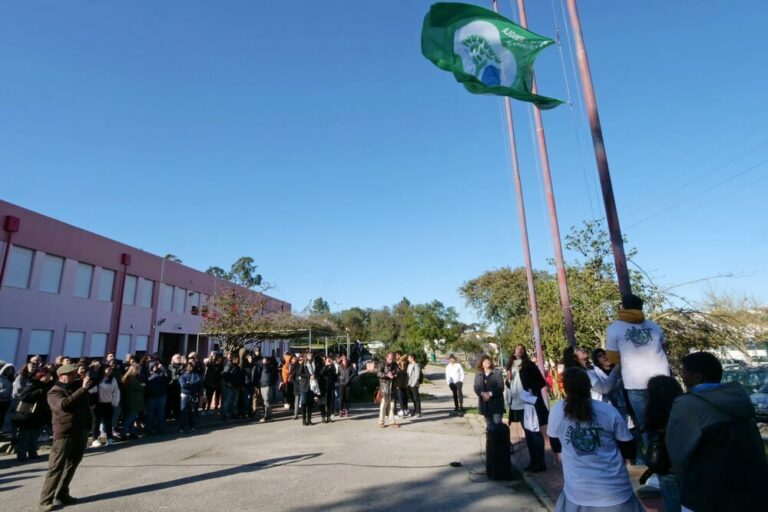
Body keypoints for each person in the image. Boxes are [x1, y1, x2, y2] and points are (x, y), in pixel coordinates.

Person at [666, 352, 768, 512]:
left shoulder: (687, 404)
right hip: (752, 487)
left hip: (708, 494)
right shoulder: (740, 398)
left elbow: (678, 453)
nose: (682, 377)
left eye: (684, 372)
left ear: (697, 377)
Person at [548, 368, 643, 512]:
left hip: (578, 495)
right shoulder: (608, 411)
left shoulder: (557, 411)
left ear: (565, 388)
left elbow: (556, 446)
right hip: (616, 494)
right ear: (589, 386)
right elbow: (629, 450)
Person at [606, 294, 669, 440]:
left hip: (635, 382)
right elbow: (664, 347)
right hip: (662, 379)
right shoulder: (654, 326)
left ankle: (653, 457)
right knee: (665, 419)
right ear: (641, 307)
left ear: (623, 307)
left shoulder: (614, 328)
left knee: (644, 423)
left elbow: (613, 358)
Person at [39, 364, 94, 511]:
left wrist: (86, 376)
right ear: (61, 376)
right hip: (64, 433)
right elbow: (64, 405)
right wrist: (82, 389)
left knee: (72, 465)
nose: (73, 375)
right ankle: (45, 500)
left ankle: (62, 494)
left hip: (80, 431)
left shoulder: (76, 386)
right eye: (70, 374)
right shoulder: (54, 392)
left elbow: (94, 382)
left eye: (74, 373)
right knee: (56, 467)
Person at [643, 375, 683, 512]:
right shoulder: (685, 411)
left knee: (672, 503)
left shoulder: (653, 416)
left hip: (666, 467)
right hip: (688, 464)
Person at [14, 369, 53, 461]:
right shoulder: (32, 384)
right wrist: (38, 392)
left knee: (34, 436)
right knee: (25, 436)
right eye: (46, 375)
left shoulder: (49, 385)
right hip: (28, 415)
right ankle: (22, 455)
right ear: (41, 376)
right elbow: (23, 397)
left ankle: (32, 452)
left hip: (40, 415)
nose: (49, 377)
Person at [519, 354, 549, 472]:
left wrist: (532, 389)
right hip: (521, 405)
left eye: (520, 350)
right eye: (516, 350)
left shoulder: (529, 366)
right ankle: (533, 460)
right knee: (528, 433)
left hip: (533, 403)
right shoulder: (512, 368)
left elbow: (541, 382)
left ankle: (540, 462)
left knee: (535, 432)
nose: (518, 352)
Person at [89, 364, 120, 447]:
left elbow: (116, 391)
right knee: (96, 422)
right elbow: (91, 391)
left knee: (108, 422)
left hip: (108, 404)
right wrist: (91, 403)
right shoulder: (98, 379)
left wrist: (114, 402)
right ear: (103, 370)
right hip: (98, 404)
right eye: (107, 369)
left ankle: (110, 438)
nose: (109, 371)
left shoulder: (113, 379)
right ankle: (95, 439)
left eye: (110, 369)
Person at [473, 355, 504, 429]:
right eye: (485, 360)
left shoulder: (497, 373)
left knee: (497, 426)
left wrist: (490, 394)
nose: (488, 361)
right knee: (489, 426)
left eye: (489, 360)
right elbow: (476, 387)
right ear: (482, 363)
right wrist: (482, 393)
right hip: (485, 405)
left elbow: (501, 387)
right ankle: (490, 440)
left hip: (496, 405)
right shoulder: (478, 374)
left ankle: (499, 440)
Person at [120, 363, 145, 439]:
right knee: (130, 418)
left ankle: (132, 433)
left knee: (132, 418)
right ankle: (124, 433)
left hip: (133, 401)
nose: (140, 370)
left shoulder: (130, 378)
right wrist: (142, 385)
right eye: (138, 369)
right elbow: (140, 388)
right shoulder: (131, 379)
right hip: (133, 401)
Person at [505, 345, 526, 428]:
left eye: (522, 349)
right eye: (518, 348)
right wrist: (508, 379)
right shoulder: (511, 365)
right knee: (523, 425)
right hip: (515, 399)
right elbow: (508, 385)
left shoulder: (527, 364)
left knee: (528, 426)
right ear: (514, 352)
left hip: (525, 399)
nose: (520, 350)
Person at [145, 361, 169, 435]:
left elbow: (168, 375)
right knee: (150, 413)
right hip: (151, 396)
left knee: (160, 412)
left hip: (161, 395)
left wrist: (162, 367)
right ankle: (149, 429)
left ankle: (160, 428)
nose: (155, 367)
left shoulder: (161, 373)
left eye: (156, 366)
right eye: (153, 366)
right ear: (150, 367)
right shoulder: (147, 375)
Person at [178, 361, 202, 433]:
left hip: (193, 395)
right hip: (185, 396)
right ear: (186, 368)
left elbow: (199, 381)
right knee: (183, 412)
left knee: (193, 412)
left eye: (191, 366)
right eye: (189, 366)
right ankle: (182, 427)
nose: (190, 367)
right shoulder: (182, 376)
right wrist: (192, 384)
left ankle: (192, 426)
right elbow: (183, 385)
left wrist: (190, 383)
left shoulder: (195, 375)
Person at [377, 352, 400, 428]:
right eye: (390, 358)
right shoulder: (381, 364)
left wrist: (395, 374)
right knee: (383, 405)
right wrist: (386, 375)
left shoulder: (395, 364)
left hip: (393, 387)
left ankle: (392, 422)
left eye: (393, 358)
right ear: (386, 357)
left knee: (392, 405)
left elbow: (398, 372)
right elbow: (378, 373)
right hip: (385, 387)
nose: (391, 360)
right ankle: (381, 422)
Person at [297, 351, 317, 426]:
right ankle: (304, 420)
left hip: (312, 386)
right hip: (304, 385)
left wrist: (315, 375)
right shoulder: (304, 364)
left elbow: (316, 372)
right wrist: (309, 376)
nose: (310, 356)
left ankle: (309, 419)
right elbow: (300, 373)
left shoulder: (313, 364)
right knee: (304, 402)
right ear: (306, 356)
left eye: (311, 355)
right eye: (309, 355)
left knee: (310, 403)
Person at [258, 355, 278, 422]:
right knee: (264, 401)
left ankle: (269, 416)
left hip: (267, 385)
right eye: (263, 360)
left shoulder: (269, 367)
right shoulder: (263, 366)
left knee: (266, 401)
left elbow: (266, 369)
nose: (263, 361)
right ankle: (267, 416)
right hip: (262, 384)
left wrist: (264, 363)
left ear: (268, 361)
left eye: (265, 360)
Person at [319, 356, 336, 423]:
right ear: (325, 361)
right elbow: (321, 373)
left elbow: (334, 375)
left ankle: (328, 417)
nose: (329, 362)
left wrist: (332, 366)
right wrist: (326, 366)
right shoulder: (322, 367)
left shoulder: (332, 367)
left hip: (330, 387)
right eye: (328, 360)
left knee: (329, 402)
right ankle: (323, 417)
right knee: (323, 402)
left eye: (330, 360)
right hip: (323, 387)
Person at [0, 362, 15, 432]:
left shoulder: (11, 379)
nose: (10, 371)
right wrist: (4, 391)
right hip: (0, 401)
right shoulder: (1, 378)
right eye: (8, 369)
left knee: (2, 418)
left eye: (11, 370)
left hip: (6, 402)